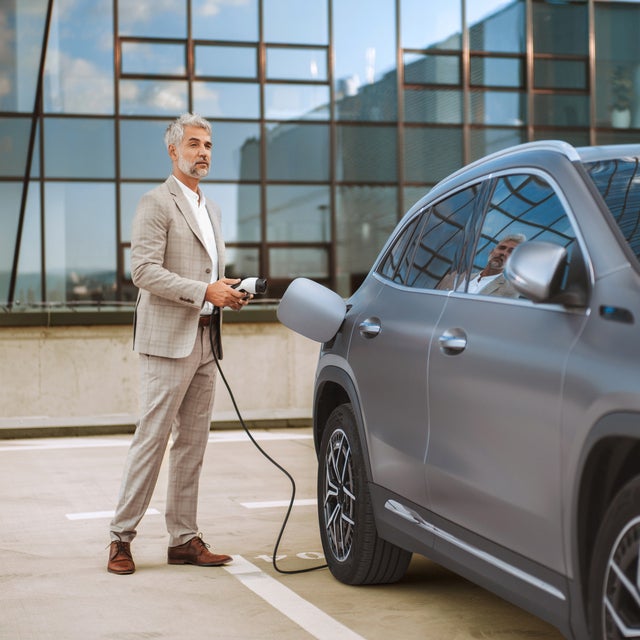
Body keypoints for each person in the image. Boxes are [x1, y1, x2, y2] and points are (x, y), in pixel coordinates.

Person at [107, 113, 250, 575]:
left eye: (207, 144)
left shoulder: (212, 210)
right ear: (174, 150)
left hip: (207, 340)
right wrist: (203, 291)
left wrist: (224, 289)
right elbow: (143, 272)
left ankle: (183, 538)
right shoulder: (155, 203)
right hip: (168, 342)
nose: (202, 152)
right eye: (193, 144)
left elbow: (203, 275)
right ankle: (120, 538)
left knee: (193, 444)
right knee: (152, 440)